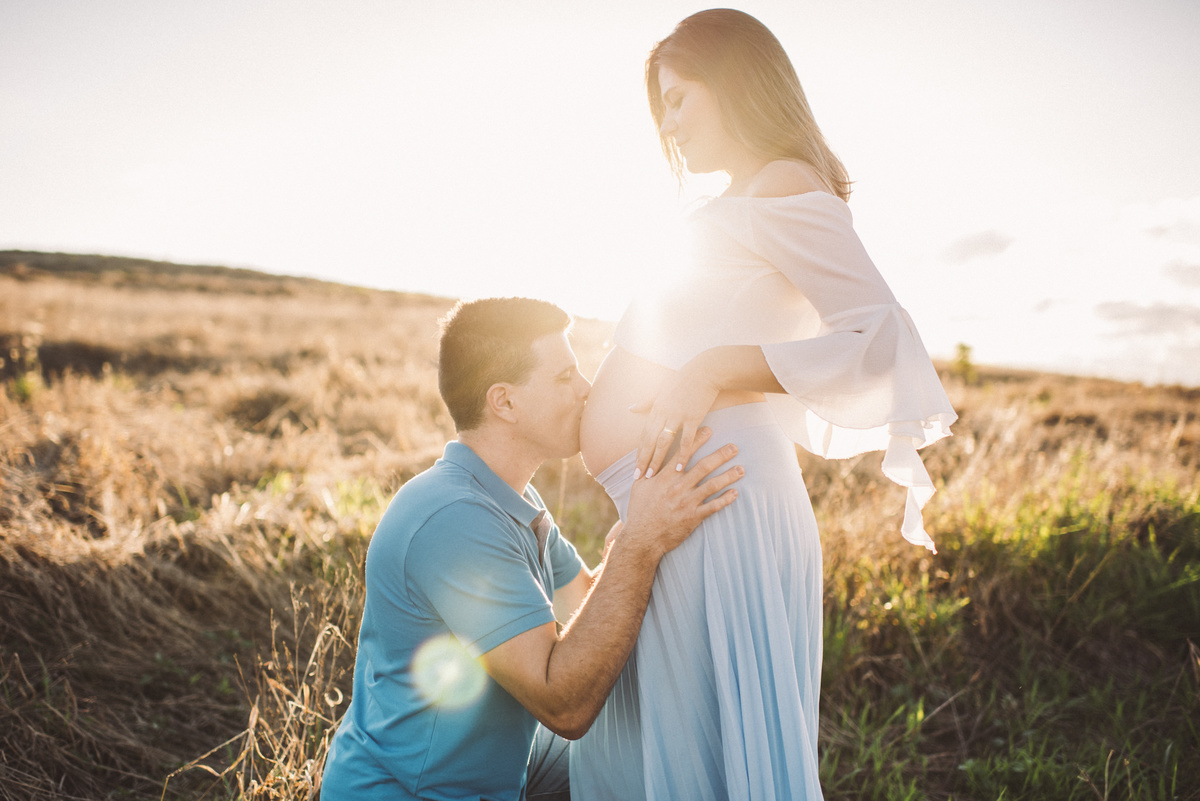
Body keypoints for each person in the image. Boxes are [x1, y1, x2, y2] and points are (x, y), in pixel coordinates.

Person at [570, 9, 958, 800]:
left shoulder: (784, 183)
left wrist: (716, 367)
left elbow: (882, 336)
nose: (669, 124)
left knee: (710, 763)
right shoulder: (743, 198)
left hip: (722, 509)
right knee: (665, 756)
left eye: (681, 100)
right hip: (681, 512)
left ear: (737, 83)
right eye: (662, 109)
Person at [320, 296, 744, 801]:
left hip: (506, 770)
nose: (586, 391)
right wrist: (637, 545)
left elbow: (586, 596)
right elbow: (564, 704)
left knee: (653, 751)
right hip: (412, 792)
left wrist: (643, 536)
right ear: (504, 402)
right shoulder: (454, 520)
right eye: (565, 378)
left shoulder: (513, 496)